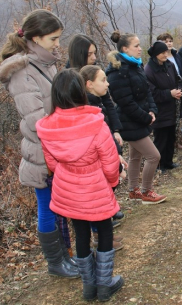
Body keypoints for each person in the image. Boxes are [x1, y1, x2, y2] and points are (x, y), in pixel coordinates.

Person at [0, 9, 79, 279]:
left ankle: (64, 258)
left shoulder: (46, 63)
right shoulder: (23, 71)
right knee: (47, 207)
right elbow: (37, 121)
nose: (58, 44)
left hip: (58, 147)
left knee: (58, 206)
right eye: (53, 39)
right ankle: (56, 263)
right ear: (35, 38)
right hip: (43, 153)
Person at [36, 69, 123, 301]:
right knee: (104, 230)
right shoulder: (95, 122)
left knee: (81, 232)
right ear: (80, 91)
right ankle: (104, 286)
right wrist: (111, 183)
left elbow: (52, 163)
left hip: (67, 187)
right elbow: (110, 161)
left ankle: (88, 287)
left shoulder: (46, 126)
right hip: (94, 185)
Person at [67, 34, 125, 224]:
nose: (93, 57)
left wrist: (115, 129)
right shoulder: (70, 77)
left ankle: (109, 208)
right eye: (90, 54)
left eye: (94, 53)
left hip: (104, 130)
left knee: (109, 168)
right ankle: (101, 222)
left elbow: (108, 103)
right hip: (85, 140)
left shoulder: (95, 74)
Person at [106, 31, 167, 205]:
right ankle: (147, 191)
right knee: (154, 156)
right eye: (136, 46)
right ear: (125, 48)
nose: (141, 49)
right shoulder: (118, 72)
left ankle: (133, 190)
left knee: (135, 156)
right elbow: (126, 102)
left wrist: (152, 110)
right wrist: (146, 118)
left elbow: (147, 91)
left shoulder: (135, 65)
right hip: (130, 121)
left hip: (140, 118)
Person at [80, 65, 126, 251]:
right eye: (103, 80)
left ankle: (102, 237)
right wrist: (115, 160)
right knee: (99, 205)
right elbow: (99, 141)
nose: (107, 84)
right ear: (89, 84)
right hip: (98, 167)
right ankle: (101, 240)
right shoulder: (89, 107)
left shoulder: (97, 102)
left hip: (108, 159)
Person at [144, 41, 182, 172]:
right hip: (159, 110)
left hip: (171, 108)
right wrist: (169, 93)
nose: (165, 54)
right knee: (161, 139)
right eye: (162, 52)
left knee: (171, 136)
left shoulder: (169, 65)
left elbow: (177, 80)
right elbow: (152, 93)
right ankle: (159, 165)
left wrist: (178, 90)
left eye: (166, 51)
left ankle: (169, 161)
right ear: (155, 54)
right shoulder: (149, 70)